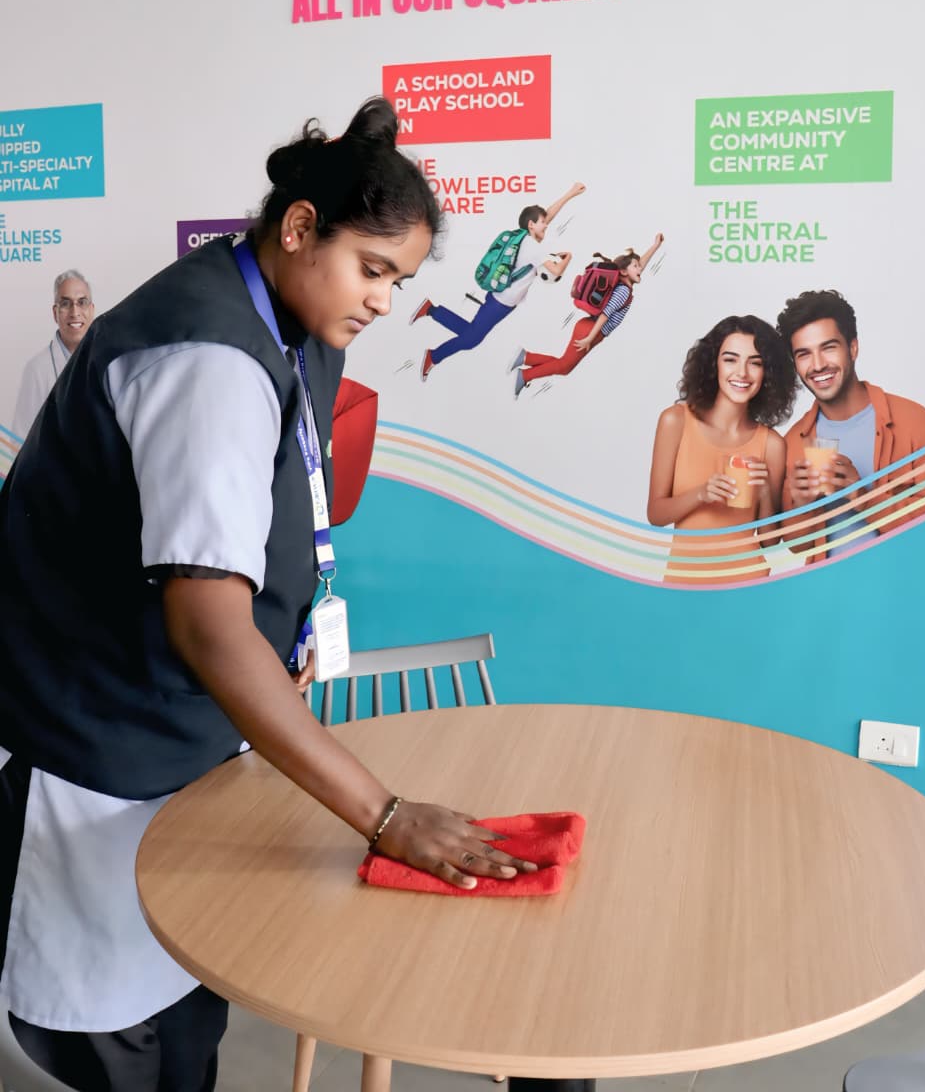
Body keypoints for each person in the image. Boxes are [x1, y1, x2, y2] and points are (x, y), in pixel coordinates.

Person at [0, 98, 536, 1092]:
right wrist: (384, 814)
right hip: (96, 741)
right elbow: (208, 628)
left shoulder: (296, 321)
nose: (385, 301)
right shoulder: (203, 354)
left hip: (183, 735)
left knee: (189, 1014)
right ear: (297, 228)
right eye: (372, 269)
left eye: (400, 280)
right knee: (115, 1041)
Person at [777, 289, 925, 560]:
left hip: (901, 584)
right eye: (804, 354)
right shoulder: (793, 442)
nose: (818, 365)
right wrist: (802, 505)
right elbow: (797, 545)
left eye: (828, 348)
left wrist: (862, 495)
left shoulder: (916, 422)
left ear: (853, 348)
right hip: (831, 586)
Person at [647, 315, 794, 585]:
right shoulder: (675, 421)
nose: (742, 373)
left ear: (768, 372)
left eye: (755, 363)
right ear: (713, 364)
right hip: (684, 582)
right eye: (730, 359)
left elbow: (769, 540)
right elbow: (656, 514)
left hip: (748, 584)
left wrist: (764, 491)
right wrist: (701, 493)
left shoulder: (772, 444)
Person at [411, 182, 584, 380]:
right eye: (542, 222)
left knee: (471, 333)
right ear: (531, 225)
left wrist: (570, 194)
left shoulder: (523, 237)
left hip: (502, 299)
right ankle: (434, 355)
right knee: (471, 339)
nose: (546, 224)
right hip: (501, 302)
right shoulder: (533, 247)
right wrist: (568, 257)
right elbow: (556, 270)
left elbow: (547, 215)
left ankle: (431, 310)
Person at [510, 236, 663, 397]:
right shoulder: (623, 291)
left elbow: (640, 264)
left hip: (589, 327)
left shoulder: (623, 284)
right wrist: (590, 338)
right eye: (636, 266)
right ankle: (525, 374)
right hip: (591, 330)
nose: (640, 269)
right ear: (624, 271)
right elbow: (606, 314)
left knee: (564, 364)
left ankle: (526, 358)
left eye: (639, 266)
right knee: (564, 366)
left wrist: (655, 246)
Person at [11, 269, 95, 440]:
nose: (75, 312)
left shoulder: (107, 362)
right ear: (55, 313)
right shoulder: (37, 369)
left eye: (82, 302)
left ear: (92, 310)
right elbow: (20, 439)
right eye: (65, 303)